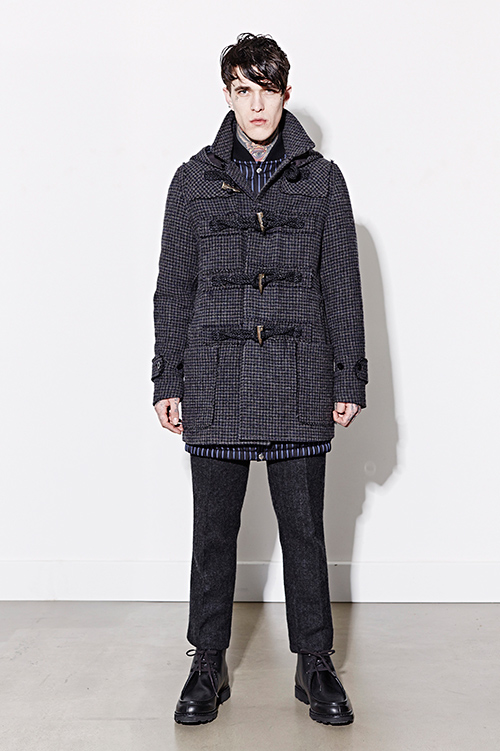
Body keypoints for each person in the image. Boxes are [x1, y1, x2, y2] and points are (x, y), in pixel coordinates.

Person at [152, 33, 368, 726]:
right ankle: (207, 661)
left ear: (285, 93)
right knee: (213, 532)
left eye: (266, 89)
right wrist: (167, 377)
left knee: (305, 530)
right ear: (227, 95)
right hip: (214, 379)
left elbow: (342, 285)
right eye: (243, 90)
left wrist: (349, 377)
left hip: (300, 377)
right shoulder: (191, 180)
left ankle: (315, 662)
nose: (255, 104)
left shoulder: (323, 181)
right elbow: (173, 288)